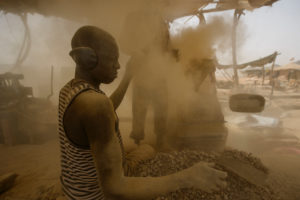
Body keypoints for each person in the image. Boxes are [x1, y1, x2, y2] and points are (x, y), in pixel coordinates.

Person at [58, 25, 227, 200]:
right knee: (150, 156)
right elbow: (115, 189)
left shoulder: (70, 90)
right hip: (96, 195)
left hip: (74, 188)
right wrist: (186, 177)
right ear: (87, 59)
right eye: (111, 60)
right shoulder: (96, 106)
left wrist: (128, 76)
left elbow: (107, 106)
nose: (117, 66)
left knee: (146, 148)